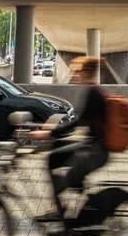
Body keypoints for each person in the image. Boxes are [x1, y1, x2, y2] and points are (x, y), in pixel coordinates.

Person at [35, 56, 108, 221]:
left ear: (87, 73)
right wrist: (54, 134)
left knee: (65, 172)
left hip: (96, 151)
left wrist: (49, 133)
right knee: (55, 154)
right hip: (93, 145)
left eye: (78, 72)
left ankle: (64, 214)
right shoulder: (93, 91)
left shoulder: (93, 93)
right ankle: (63, 208)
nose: (76, 76)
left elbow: (77, 122)